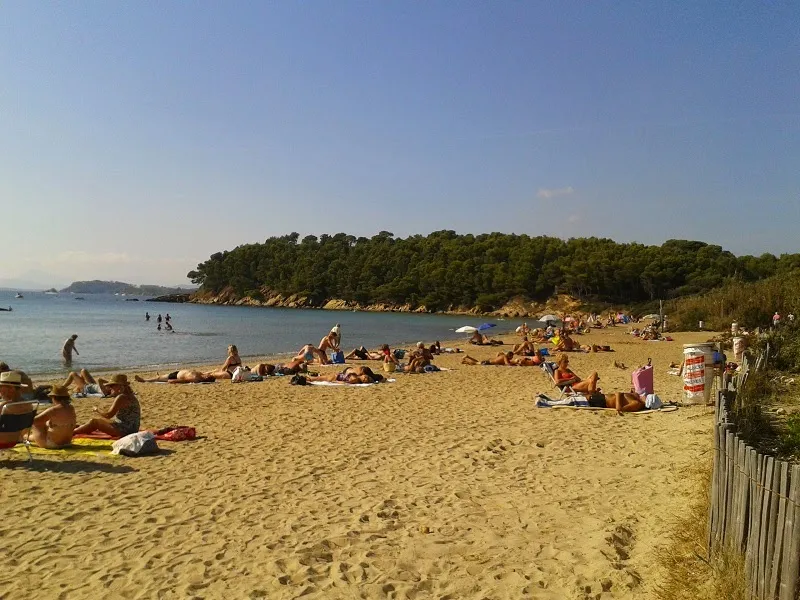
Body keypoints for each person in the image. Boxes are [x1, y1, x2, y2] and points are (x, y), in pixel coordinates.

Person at [74, 374, 141, 437]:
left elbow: (108, 415)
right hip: (131, 428)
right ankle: (80, 428)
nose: (110, 389)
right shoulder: (130, 396)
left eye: (112, 386)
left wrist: (97, 410)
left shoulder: (121, 397)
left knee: (94, 422)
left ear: (119, 386)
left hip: (125, 431)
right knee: (98, 421)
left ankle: (73, 432)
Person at [0, 371, 34, 447]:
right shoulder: (29, 404)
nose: (0, 392)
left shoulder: (5, 407)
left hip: (4, 440)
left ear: (11, 389)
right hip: (20, 438)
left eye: (1, 388)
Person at [135, 370, 217, 384]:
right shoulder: (201, 374)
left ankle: (144, 380)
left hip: (175, 376)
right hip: (177, 372)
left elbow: (185, 380)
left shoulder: (196, 379)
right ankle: (156, 377)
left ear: (206, 378)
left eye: (208, 375)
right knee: (160, 377)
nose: (208, 374)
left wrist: (174, 381)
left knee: (158, 378)